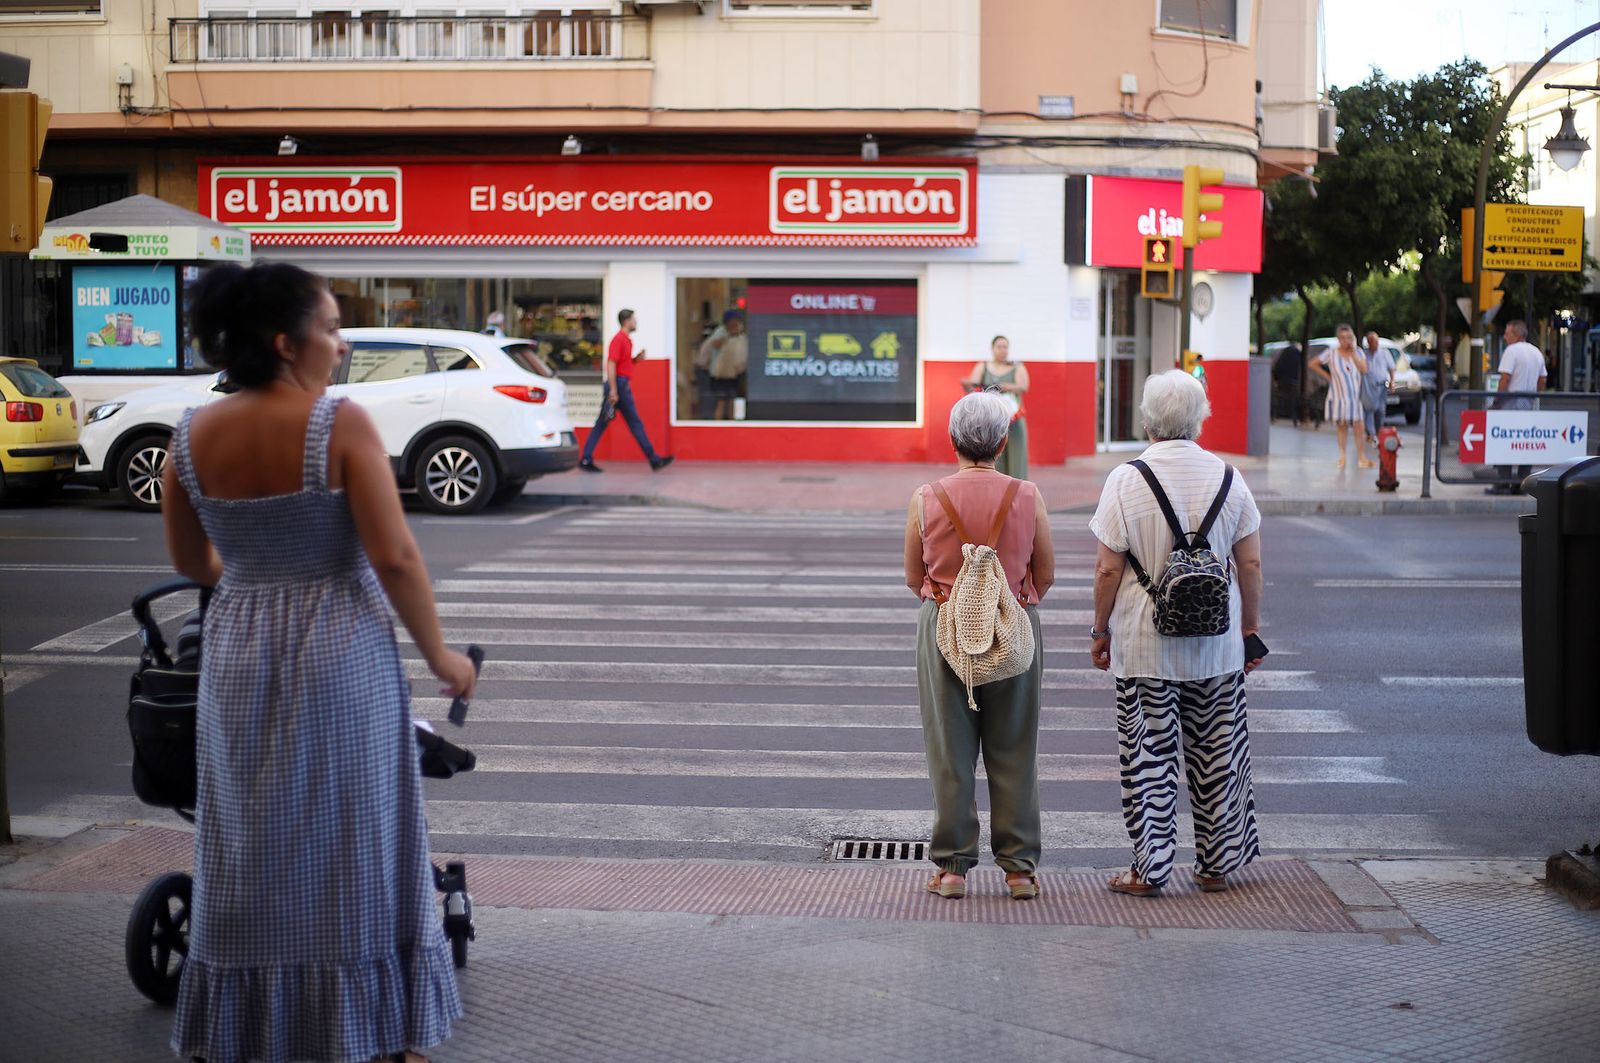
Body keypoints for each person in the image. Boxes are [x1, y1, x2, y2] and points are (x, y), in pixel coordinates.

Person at [161, 262, 476, 1063]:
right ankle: (378, 1033)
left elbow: (193, 560)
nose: (339, 345)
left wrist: (264, 584)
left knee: (246, 835)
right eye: (331, 328)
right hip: (341, 646)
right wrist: (441, 654)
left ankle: (242, 1027)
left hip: (237, 645)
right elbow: (396, 555)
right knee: (361, 831)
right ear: (283, 341)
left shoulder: (188, 437)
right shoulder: (339, 422)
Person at [1088, 369, 1265, 898]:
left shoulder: (1125, 480)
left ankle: (1150, 869)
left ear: (1147, 420)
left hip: (1145, 646)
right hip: (1216, 643)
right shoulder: (1231, 478)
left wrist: (1100, 630)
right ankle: (1215, 865)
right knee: (1217, 754)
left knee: (1149, 758)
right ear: (1200, 418)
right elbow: (1250, 564)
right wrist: (1249, 628)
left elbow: (1106, 570)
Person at [904, 391, 1055, 901]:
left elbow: (912, 576)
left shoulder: (926, 497)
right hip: (1014, 627)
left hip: (944, 625)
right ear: (1003, 440)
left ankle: (952, 869)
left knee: (950, 750)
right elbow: (1045, 575)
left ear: (953, 442)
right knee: (1015, 747)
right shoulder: (1028, 495)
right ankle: (1019, 870)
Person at [578, 308, 674, 473]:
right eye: (633, 319)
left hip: (619, 385)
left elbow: (622, 364)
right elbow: (611, 364)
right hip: (619, 386)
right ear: (626, 321)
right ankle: (654, 459)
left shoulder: (626, 341)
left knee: (603, 423)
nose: (636, 322)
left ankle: (586, 458)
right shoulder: (619, 340)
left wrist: (635, 360)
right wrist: (614, 390)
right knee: (632, 423)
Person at [1489, 319, 1548, 494]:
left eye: (1508, 334)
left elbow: (1505, 378)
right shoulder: (1536, 352)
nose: (1505, 337)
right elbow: (1543, 379)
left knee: (1503, 441)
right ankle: (1522, 483)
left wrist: (1497, 401)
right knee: (1525, 442)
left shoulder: (1511, 351)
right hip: (1529, 402)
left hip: (1511, 401)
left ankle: (1504, 482)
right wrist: (1534, 393)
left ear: (1517, 335)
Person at [960, 335, 1030, 480]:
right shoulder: (983, 366)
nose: (1003, 350)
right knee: (993, 455)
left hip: (1013, 418)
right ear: (992, 349)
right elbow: (973, 385)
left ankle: (1018, 489)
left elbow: (1024, 386)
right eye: (999, 347)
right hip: (991, 420)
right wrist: (967, 384)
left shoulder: (1017, 367)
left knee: (1017, 454)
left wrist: (1005, 387)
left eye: (1005, 347)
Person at [1307, 324, 1370, 469]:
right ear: (1338, 339)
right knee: (1342, 426)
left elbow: (1364, 369)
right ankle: (1342, 456)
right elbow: (1312, 364)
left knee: (1359, 426)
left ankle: (1362, 456)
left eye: (1349, 337)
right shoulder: (1331, 353)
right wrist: (1328, 377)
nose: (1346, 340)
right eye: (1343, 338)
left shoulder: (1358, 352)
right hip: (1339, 396)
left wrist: (1353, 353)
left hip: (1355, 396)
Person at [705, 309, 748, 421]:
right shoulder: (721, 332)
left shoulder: (741, 335)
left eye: (737, 321)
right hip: (719, 374)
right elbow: (714, 344)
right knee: (721, 400)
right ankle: (718, 424)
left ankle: (731, 423)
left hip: (733, 374)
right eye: (732, 321)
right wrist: (729, 335)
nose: (734, 324)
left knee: (732, 400)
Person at [1360, 331, 1395, 447]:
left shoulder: (1384, 353)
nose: (1375, 344)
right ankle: (1371, 433)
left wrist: (1392, 382)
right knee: (1369, 409)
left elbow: (1391, 368)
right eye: (1372, 342)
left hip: (1381, 386)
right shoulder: (1364, 354)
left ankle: (1378, 431)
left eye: (1376, 341)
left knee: (1380, 410)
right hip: (1368, 386)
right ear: (1368, 343)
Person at [1271, 340, 1304, 425]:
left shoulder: (1284, 354)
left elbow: (1276, 368)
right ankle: (1295, 418)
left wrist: (1277, 379)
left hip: (1282, 381)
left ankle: (1274, 416)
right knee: (1294, 400)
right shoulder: (1297, 354)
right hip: (1295, 381)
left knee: (1280, 398)